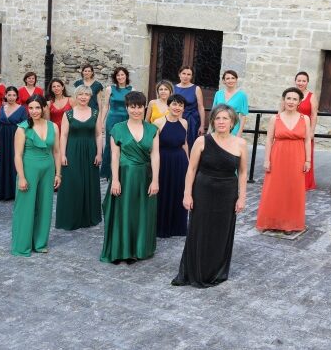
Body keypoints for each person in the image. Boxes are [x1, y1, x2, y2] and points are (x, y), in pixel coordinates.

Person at [172, 105, 248, 288]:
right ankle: (195, 270)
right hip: (203, 191)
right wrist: (187, 194)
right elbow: (191, 169)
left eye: (225, 118)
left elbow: (243, 172)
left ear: (232, 122)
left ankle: (215, 271)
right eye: (217, 118)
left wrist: (242, 197)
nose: (221, 122)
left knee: (221, 232)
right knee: (199, 230)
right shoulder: (202, 141)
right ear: (212, 121)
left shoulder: (240, 144)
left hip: (227, 193)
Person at [100, 91, 159, 264]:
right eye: (132, 107)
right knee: (123, 213)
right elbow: (115, 156)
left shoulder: (152, 129)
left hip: (144, 178)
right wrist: (115, 180)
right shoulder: (117, 128)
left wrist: (155, 180)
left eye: (139, 107)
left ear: (144, 108)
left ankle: (138, 249)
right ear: (126, 108)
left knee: (141, 213)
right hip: (124, 177)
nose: (136, 110)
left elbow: (155, 155)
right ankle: (121, 250)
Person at [255, 88, 312, 234]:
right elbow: (269, 140)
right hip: (277, 157)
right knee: (274, 189)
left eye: (294, 99)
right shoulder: (275, 118)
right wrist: (266, 160)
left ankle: (289, 223)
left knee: (293, 190)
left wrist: (308, 160)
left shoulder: (305, 119)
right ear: (284, 100)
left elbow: (307, 140)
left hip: (297, 157)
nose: (291, 102)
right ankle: (271, 221)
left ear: (299, 102)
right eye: (288, 98)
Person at [11, 94, 61, 256]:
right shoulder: (22, 128)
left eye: (37, 107)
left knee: (45, 206)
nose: (34, 111)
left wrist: (58, 174)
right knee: (25, 207)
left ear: (44, 108)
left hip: (48, 169)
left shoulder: (53, 127)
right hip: (29, 169)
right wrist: (21, 177)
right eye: (31, 108)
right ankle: (22, 245)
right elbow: (18, 155)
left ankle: (40, 243)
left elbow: (57, 151)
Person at [55, 85, 103, 230]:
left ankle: (88, 217)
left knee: (89, 182)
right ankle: (71, 217)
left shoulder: (95, 113)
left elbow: (99, 134)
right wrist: (63, 154)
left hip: (90, 151)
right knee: (72, 183)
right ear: (76, 96)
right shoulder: (68, 114)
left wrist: (99, 153)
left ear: (90, 97)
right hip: (72, 151)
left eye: (86, 95)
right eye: (80, 94)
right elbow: (63, 135)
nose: (83, 97)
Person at [154, 94, 189, 238]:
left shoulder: (184, 123)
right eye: (174, 104)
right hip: (163, 161)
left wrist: (188, 162)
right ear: (168, 105)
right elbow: (153, 148)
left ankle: (177, 227)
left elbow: (184, 143)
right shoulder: (158, 122)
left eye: (180, 105)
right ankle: (161, 227)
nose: (177, 107)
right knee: (163, 192)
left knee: (178, 192)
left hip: (180, 161)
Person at [99, 67, 133, 179]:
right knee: (110, 144)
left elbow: (133, 107)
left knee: (125, 144)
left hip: (126, 119)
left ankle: (122, 171)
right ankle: (108, 173)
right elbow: (105, 106)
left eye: (122, 75)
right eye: (118, 75)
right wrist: (101, 121)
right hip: (112, 119)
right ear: (115, 77)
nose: (120, 77)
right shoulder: (110, 89)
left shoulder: (132, 90)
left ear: (126, 76)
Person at [0, 86, 27, 201]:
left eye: (14, 95)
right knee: (1, 164)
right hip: (2, 140)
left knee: (14, 163)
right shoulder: (2, 108)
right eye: (9, 95)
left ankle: (13, 192)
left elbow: (25, 126)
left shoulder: (22, 109)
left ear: (17, 96)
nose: (11, 97)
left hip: (15, 139)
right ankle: (1, 192)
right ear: (5, 95)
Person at [294, 71, 318, 190]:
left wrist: (312, 131)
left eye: (303, 81)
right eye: (299, 80)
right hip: (291, 129)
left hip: (305, 131)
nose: (301, 83)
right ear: (295, 81)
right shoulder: (290, 94)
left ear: (307, 82)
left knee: (305, 156)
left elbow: (314, 115)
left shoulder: (311, 96)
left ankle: (304, 182)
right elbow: (281, 112)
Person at [174, 66, 206, 144]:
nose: (186, 76)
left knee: (190, 143)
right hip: (176, 119)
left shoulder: (196, 88)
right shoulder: (173, 88)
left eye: (188, 74)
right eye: (184, 73)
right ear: (179, 74)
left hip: (192, 121)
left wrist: (202, 126)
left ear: (191, 76)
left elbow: (201, 107)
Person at [211, 70, 248, 136]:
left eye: (233, 78)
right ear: (224, 81)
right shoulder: (218, 94)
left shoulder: (242, 95)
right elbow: (213, 113)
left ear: (236, 80)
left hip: (234, 127)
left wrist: (239, 133)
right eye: (228, 78)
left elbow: (243, 116)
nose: (230, 80)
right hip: (219, 125)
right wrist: (211, 129)